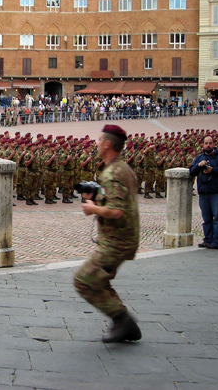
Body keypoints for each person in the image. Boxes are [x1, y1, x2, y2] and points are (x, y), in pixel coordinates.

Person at [74, 124, 142, 343]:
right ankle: (123, 323)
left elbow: (116, 210)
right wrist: (95, 196)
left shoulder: (113, 173)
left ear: (107, 144)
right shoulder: (122, 168)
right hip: (121, 238)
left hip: (117, 241)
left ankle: (123, 320)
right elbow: (112, 198)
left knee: (83, 280)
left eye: (98, 140)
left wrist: (93, 209)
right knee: (99, 280)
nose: (96, 143)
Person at [189, 135, 218, 250]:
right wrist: (199, 166)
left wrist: (213, 170)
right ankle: (208, 240)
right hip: (203, 191)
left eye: (210, 143)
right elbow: (192, 172)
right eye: (206, 143)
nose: (208, 145)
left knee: (217, 218)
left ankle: (217, 243)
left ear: (214, 144)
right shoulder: (199, 157)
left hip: (216, 191)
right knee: (206, 218)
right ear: (202, 144)